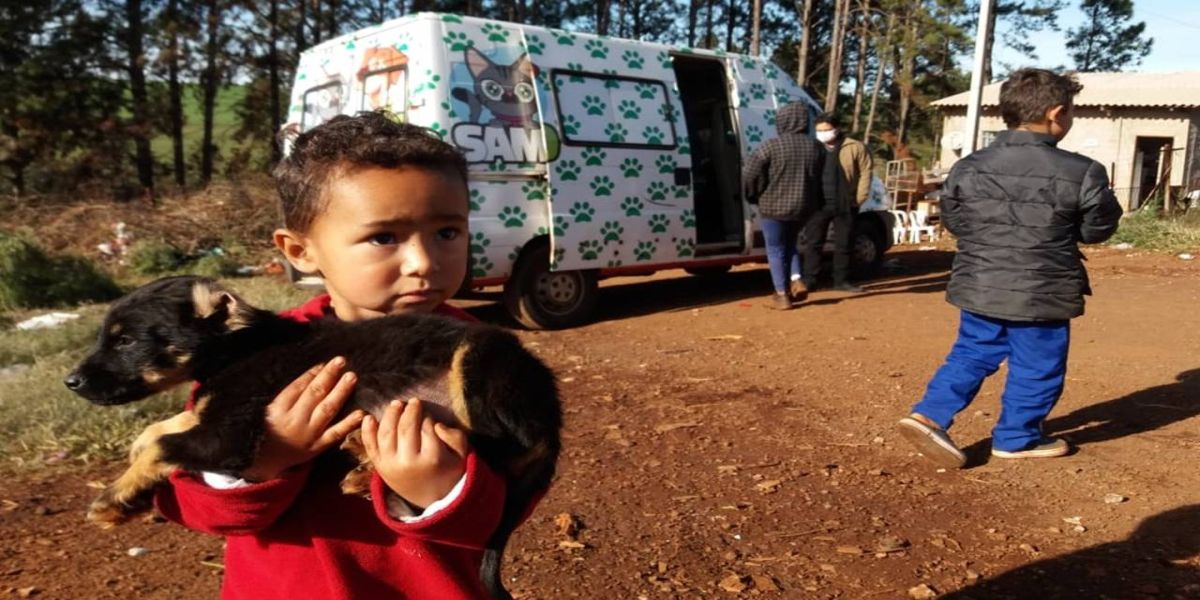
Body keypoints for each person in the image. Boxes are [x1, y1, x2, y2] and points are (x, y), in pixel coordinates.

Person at [154, 112, 520, 599]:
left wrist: (442, 490)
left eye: (447, 233)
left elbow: (519, 490)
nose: (424, 262)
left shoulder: (478, 358)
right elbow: (193, 506)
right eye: (384, 238)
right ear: (300, 251)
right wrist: (263, 457)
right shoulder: (257, 356)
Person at [897, 68, 1123, 468]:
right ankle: (1016, 438)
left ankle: (928, 415)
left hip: (980, 282)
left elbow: (956, 221)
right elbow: (1095, 230)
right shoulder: (1083, 171)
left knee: (972, 351)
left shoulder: (968, 166)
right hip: (1043, 289)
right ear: (1057, 113)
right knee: (1038, 365)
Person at [742, 102, 825, 310]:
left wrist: (753, 194)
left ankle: (782, 294)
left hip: (773, 207)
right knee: (790, 244)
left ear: (782, 121)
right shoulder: (815, 147)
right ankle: (797, 278)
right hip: (803, 207)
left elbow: (750, 174)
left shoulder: (770, 146)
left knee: (776, 249)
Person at [798, 113, 873, 293]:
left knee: (844, 242)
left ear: (836, 129)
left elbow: (865, 172)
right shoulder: (812, 147)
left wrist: (859, 198)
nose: (823, 134)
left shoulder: (854, 147)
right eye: (819, 130)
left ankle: (841, 280)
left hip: (845, 202)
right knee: (813, 242)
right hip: (817, 203)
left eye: (826, 130)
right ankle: (810, 281)